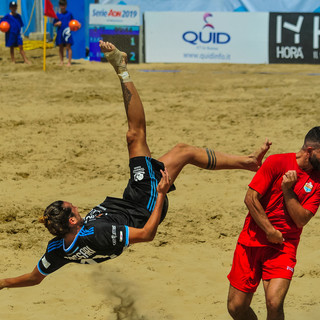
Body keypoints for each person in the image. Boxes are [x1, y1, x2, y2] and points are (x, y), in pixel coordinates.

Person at [0, 40, 271, 290]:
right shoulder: (99, 233)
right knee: (135, 135)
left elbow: (35, 278)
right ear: (72, 219)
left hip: (131, 201)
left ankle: (247, 163)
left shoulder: (57, 248)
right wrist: (161, 193)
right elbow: (146, 235)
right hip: (145, 205)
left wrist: (3, 283)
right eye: (73, 208)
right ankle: (122, 69)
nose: (77, 205)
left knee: (183, 151)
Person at [227, 126, 320, 320]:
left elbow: (302, 219)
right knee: (236, 307)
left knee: (274, 303)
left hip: (283, 246)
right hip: (251, 241)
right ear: (311, 151)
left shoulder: (318, 180)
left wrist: (287, 190)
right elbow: (250, 198)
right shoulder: (277, 162)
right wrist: (269, 230)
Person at [53, 0, 76, 66]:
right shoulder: (57, 15)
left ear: (66, 5)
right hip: (60, 32)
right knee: (61, 47)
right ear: (59, 6)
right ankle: (61, 61)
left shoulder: (69, 14)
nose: (62, 7)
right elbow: (54, 24)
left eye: (64, 5)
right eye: (61, 5)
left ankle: (69, 62)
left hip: (67, 32)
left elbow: (73, 22)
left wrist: (77, 25)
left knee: (68, 47)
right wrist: (57, 23)